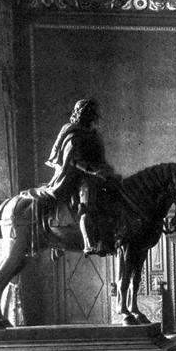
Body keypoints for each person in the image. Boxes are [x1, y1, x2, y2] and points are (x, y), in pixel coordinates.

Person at [43, 98, 118, 255]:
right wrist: (93, 171)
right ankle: (89, 243)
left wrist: (107, 171)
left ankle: (109, 238)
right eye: (90, 113)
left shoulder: (93, 134)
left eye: (94, 114)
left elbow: (100, 159)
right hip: (77, 177)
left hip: (96, 174)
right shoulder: (73, 134)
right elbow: (73, 160)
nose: (94, 117)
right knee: (87, 204)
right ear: (82, 114)